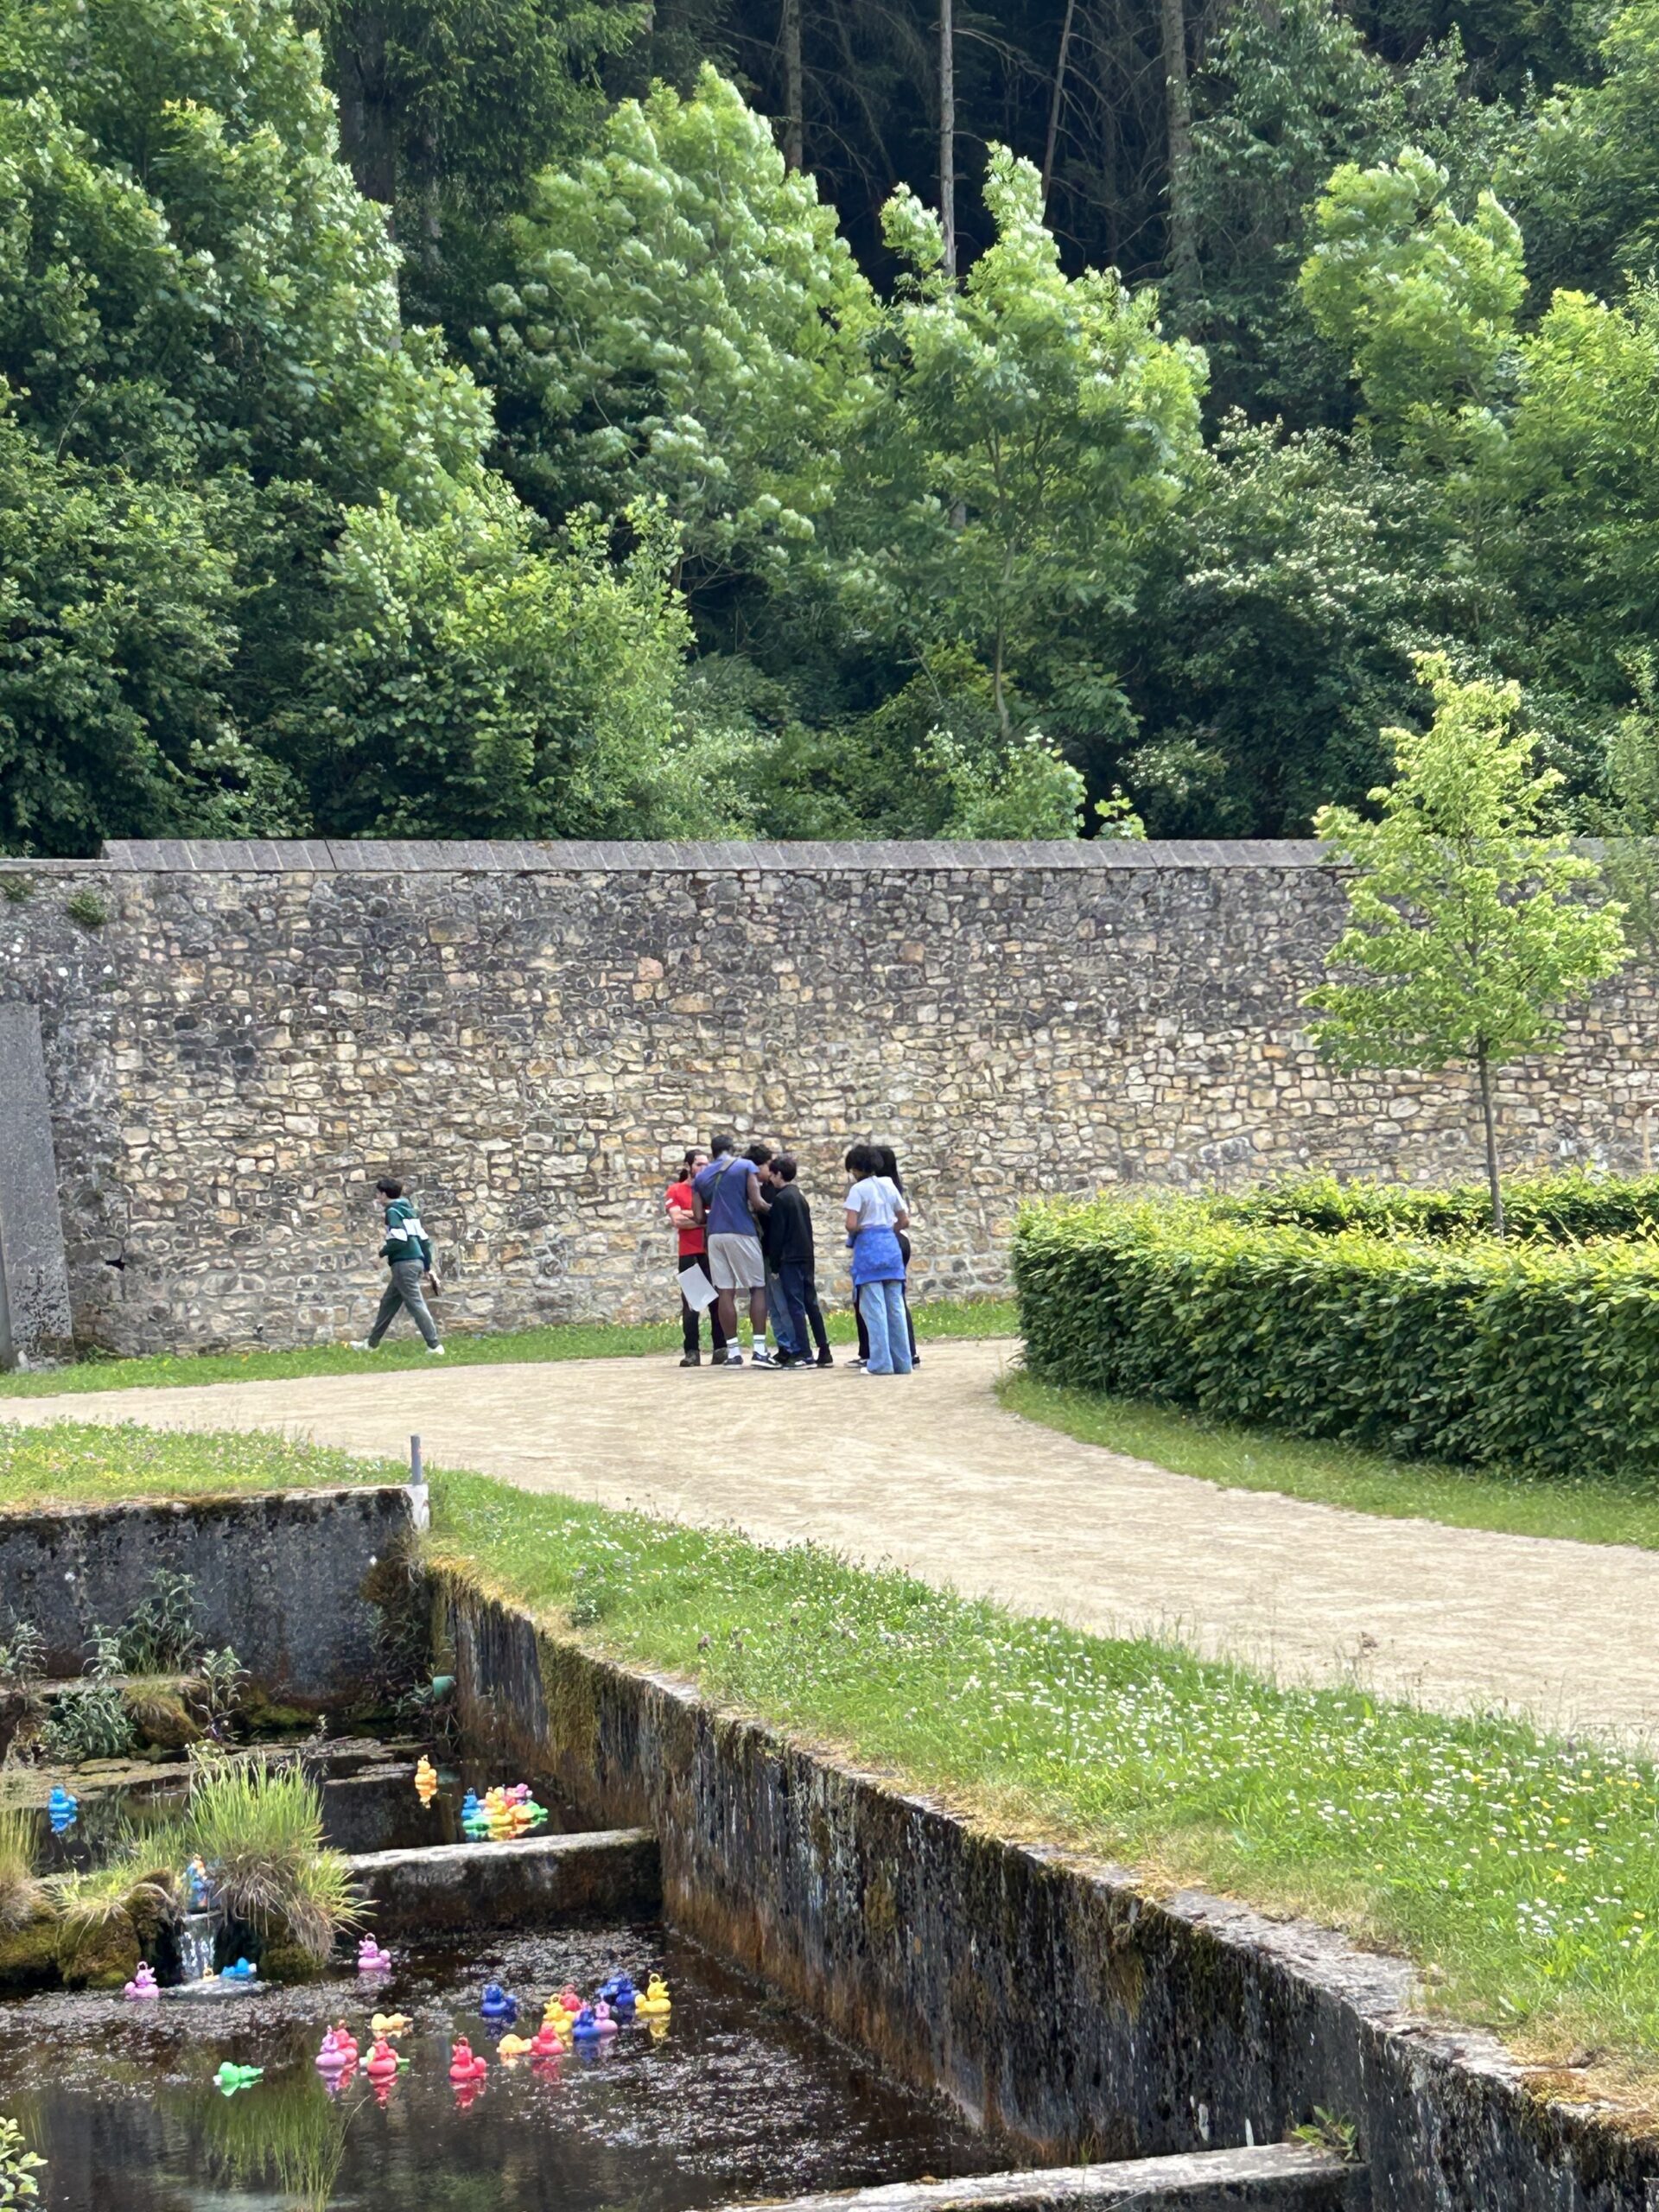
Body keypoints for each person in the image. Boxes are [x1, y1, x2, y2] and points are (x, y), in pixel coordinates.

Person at [692, 1135, 770, 1367]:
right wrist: (779, 1209)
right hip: (742, 1231)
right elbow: (757, 1202)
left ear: (713, 1151)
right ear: (732, 1148)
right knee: (757, 1287)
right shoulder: (745, 1166)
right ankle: (759, 1350)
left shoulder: (701, 1176)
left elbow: (698, 1217)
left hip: (715, 1235)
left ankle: (733, 1352)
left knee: (725, 1291)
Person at [353, 1176, 444, 1353]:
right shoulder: (409, 1211)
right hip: (415, 1262)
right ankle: (371, 1344)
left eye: (378, 1194)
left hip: (404, 1264)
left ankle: (434, 1346)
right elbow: (424, 1241)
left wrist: (380, 1254)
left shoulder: (393, 1212)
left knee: (416, 1304)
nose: (377, 1197)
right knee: (388, 1302)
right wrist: (427, 1266)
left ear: (384, 1194)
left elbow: (398, 1240)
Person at [843, 1144, 912, 1376]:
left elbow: (851, 1224)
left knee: (874, 1309)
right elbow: (904, 1220)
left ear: (856, 1168)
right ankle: (903, 1362)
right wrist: (888, 1231)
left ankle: (881, 1362)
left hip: (869, 1250)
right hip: (891, 1247)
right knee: (896, 1307)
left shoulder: (858, 1190)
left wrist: (864, 1229)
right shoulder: (889, 1184)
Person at [763, 1155, 831, 1368]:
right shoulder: (799, 1197)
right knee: (811, 1303)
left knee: (795, 1306)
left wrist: (774, 1264)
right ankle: (824, 1349)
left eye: (772, 1174)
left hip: (790, 1259)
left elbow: (777, 1235)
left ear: (779, 1175)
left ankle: (804, 1353)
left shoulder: (781, 1199)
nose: (770, 1178)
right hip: (806, 1257)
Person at [665, 1147, 728, 1367]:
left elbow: (720, 1215)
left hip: (711, 1251)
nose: (704, 1168)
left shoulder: (711, 1189)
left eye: (706, 1164)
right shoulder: (675, 1190)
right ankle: (692, 1351)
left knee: (717, 1302)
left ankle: (721, 1348)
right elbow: (677, 1220)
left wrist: (691, 1215)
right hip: (689, 1253)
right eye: (699, 1164)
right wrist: (703, 1217)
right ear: (688, 1166)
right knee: (692, 1305)